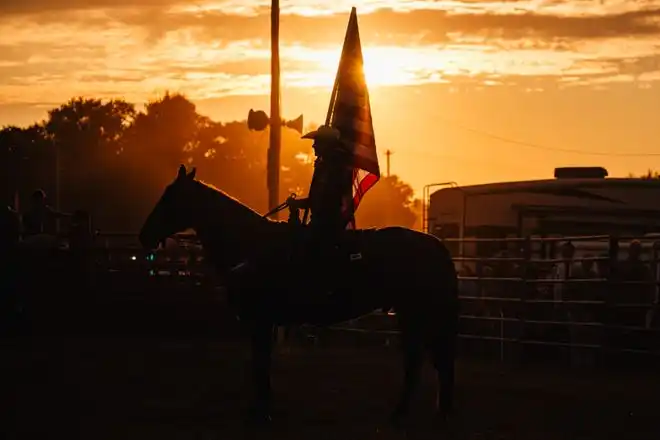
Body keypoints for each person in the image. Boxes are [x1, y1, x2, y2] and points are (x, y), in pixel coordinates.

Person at [288, 125, 355, 252]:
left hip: (326, 226)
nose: (314, 146)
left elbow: (321, 200)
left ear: (326, 145)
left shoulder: (332, 168)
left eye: (317, 142)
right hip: (321, 223)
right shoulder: (326, 165)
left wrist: (297, 203)